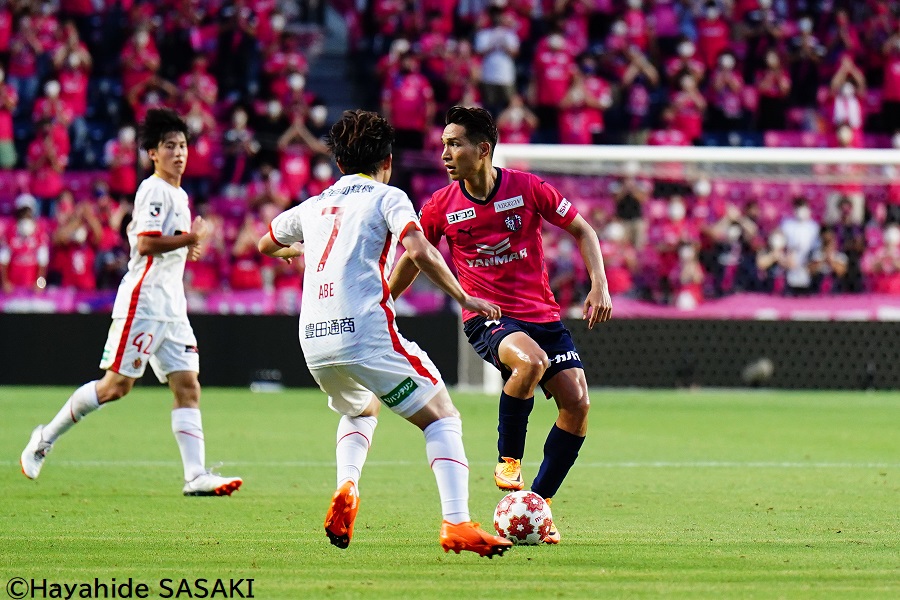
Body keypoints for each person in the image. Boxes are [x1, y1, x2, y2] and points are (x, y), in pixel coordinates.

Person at [257, 109, 512, 558]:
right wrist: (463, 297)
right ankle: (456, 523)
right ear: (387, 161)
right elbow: (418, 249)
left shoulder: (315, 204)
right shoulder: (387, 196)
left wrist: (297, 249)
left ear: (338, 163)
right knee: (442, 415)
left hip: (314, 339)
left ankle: (347, 486)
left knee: (361, 407)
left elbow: (264, 243)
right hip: (364, 332)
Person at [389, 106, 613, 544]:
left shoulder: (528, 188)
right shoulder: (440, 206)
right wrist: (383, 301)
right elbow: (415, 257)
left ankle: (537, 508)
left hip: (542, 314)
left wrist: (599, 285)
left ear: (483, 148)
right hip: (487, 317)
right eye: (443, 146)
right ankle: (508, 459)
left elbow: (584, 231)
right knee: (529, 363)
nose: (445, 155)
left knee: (578, 403)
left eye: (455, 144)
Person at [20, 108, 242, 498]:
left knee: (188, 384)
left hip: (173, 304)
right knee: (116, 386)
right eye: (170, 146)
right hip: (145, 300)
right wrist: (189, 240)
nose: (179, 153)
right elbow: (145, 242)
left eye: (184, 145)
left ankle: (194, 476)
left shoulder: (179, 194)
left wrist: (185, 247)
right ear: (152, 154)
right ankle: (44, 438)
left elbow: (145, 237)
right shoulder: (153, 189)